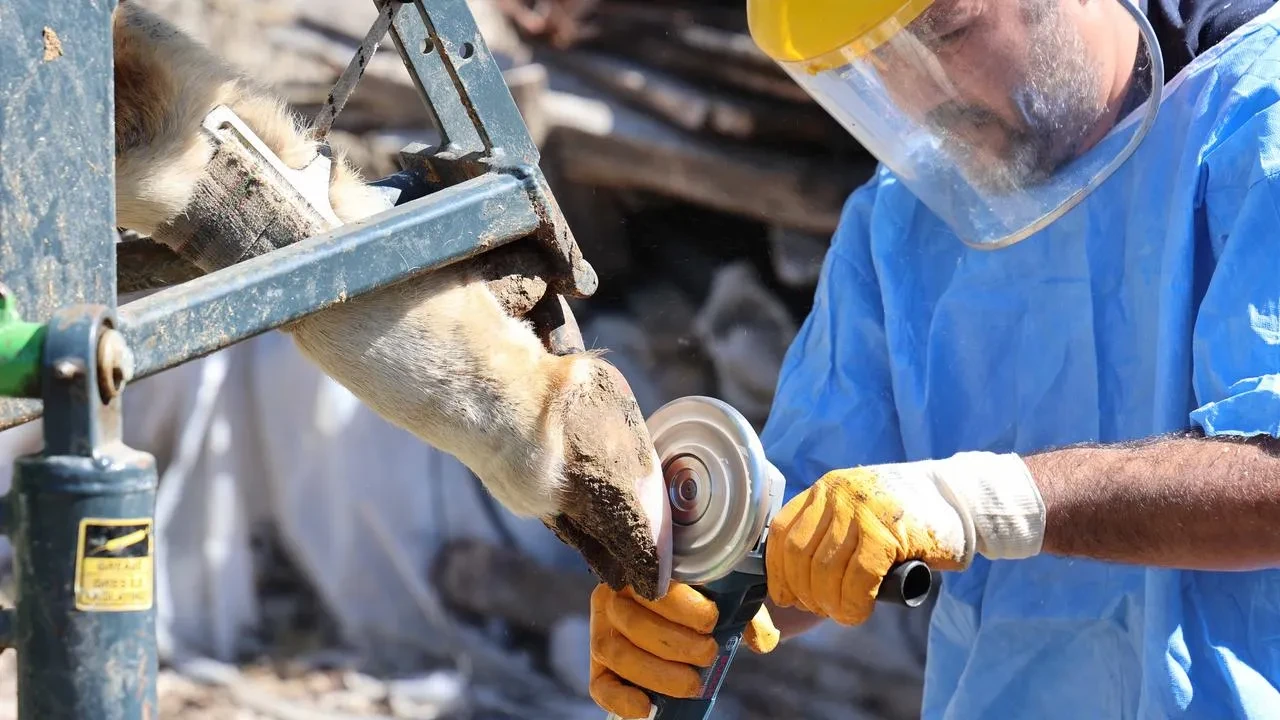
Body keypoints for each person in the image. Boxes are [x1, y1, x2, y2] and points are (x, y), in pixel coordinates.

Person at [586, 0, 1280, 717]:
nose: (924, 94)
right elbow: (804, 530)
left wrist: (983, 503)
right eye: (878, 59)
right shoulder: (906, 219)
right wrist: (689, 600)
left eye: (944, 32)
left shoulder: (1259, 111)